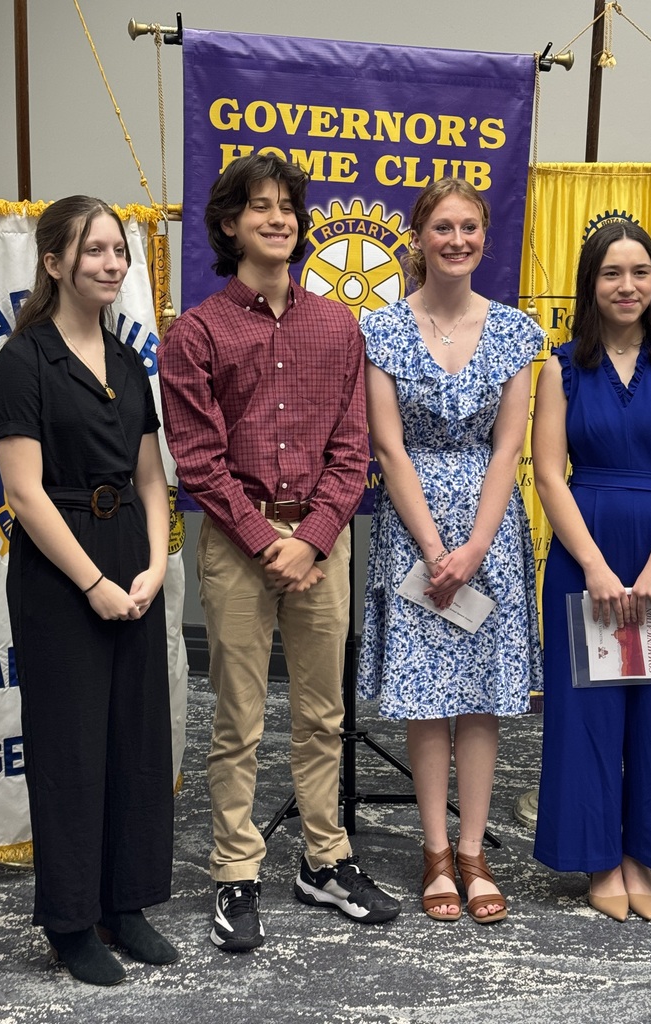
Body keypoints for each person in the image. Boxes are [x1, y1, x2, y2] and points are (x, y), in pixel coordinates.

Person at [158, 153, 400, 954]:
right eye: (258, 207)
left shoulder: (339, 326)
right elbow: (198, 460)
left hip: (322, 545)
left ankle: (324, 861)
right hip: (237, 546)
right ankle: (235, 871)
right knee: (236, 720)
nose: (278, 219)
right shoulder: (195, 334)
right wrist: (269, 542)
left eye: (288, 207)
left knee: (323, 716)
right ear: (229, 226)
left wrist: (315, 539)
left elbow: (351, 444)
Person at [0, 197, 177, 985]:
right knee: (70, 748)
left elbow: (151, 480)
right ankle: (70, 920)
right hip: (63, 573)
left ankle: (124, 903)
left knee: (135, 739)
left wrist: (156, 566)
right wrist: (94, 582)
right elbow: (24, 493)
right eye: (94, 250)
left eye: (118, 251)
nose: (112, 263)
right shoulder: (21, 363)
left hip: (132, 556)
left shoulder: (129, 365)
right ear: (54, 262)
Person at [357, 178, 544, 923]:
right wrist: (436, 548)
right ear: (418, 236)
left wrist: (473, 547)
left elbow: (509, 450)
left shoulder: (515, 332)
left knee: (481, 696)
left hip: (491, 531)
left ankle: (474, 851)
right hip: (412, 528)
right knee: (427, 694)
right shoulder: (381, 328)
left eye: (470, 227)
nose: (457, 239)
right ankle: (434, 852)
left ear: (486, 240)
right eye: (443, 227)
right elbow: (388, 447)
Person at [532, 222, 651, 921]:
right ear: (591, 283)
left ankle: (644, 853)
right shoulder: (560, 368)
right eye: (612, 273)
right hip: (589, 555)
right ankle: (600, 858)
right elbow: (549, 476)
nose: (628, 286)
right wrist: (596, 565)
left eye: (640, 272)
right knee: (589, 715)